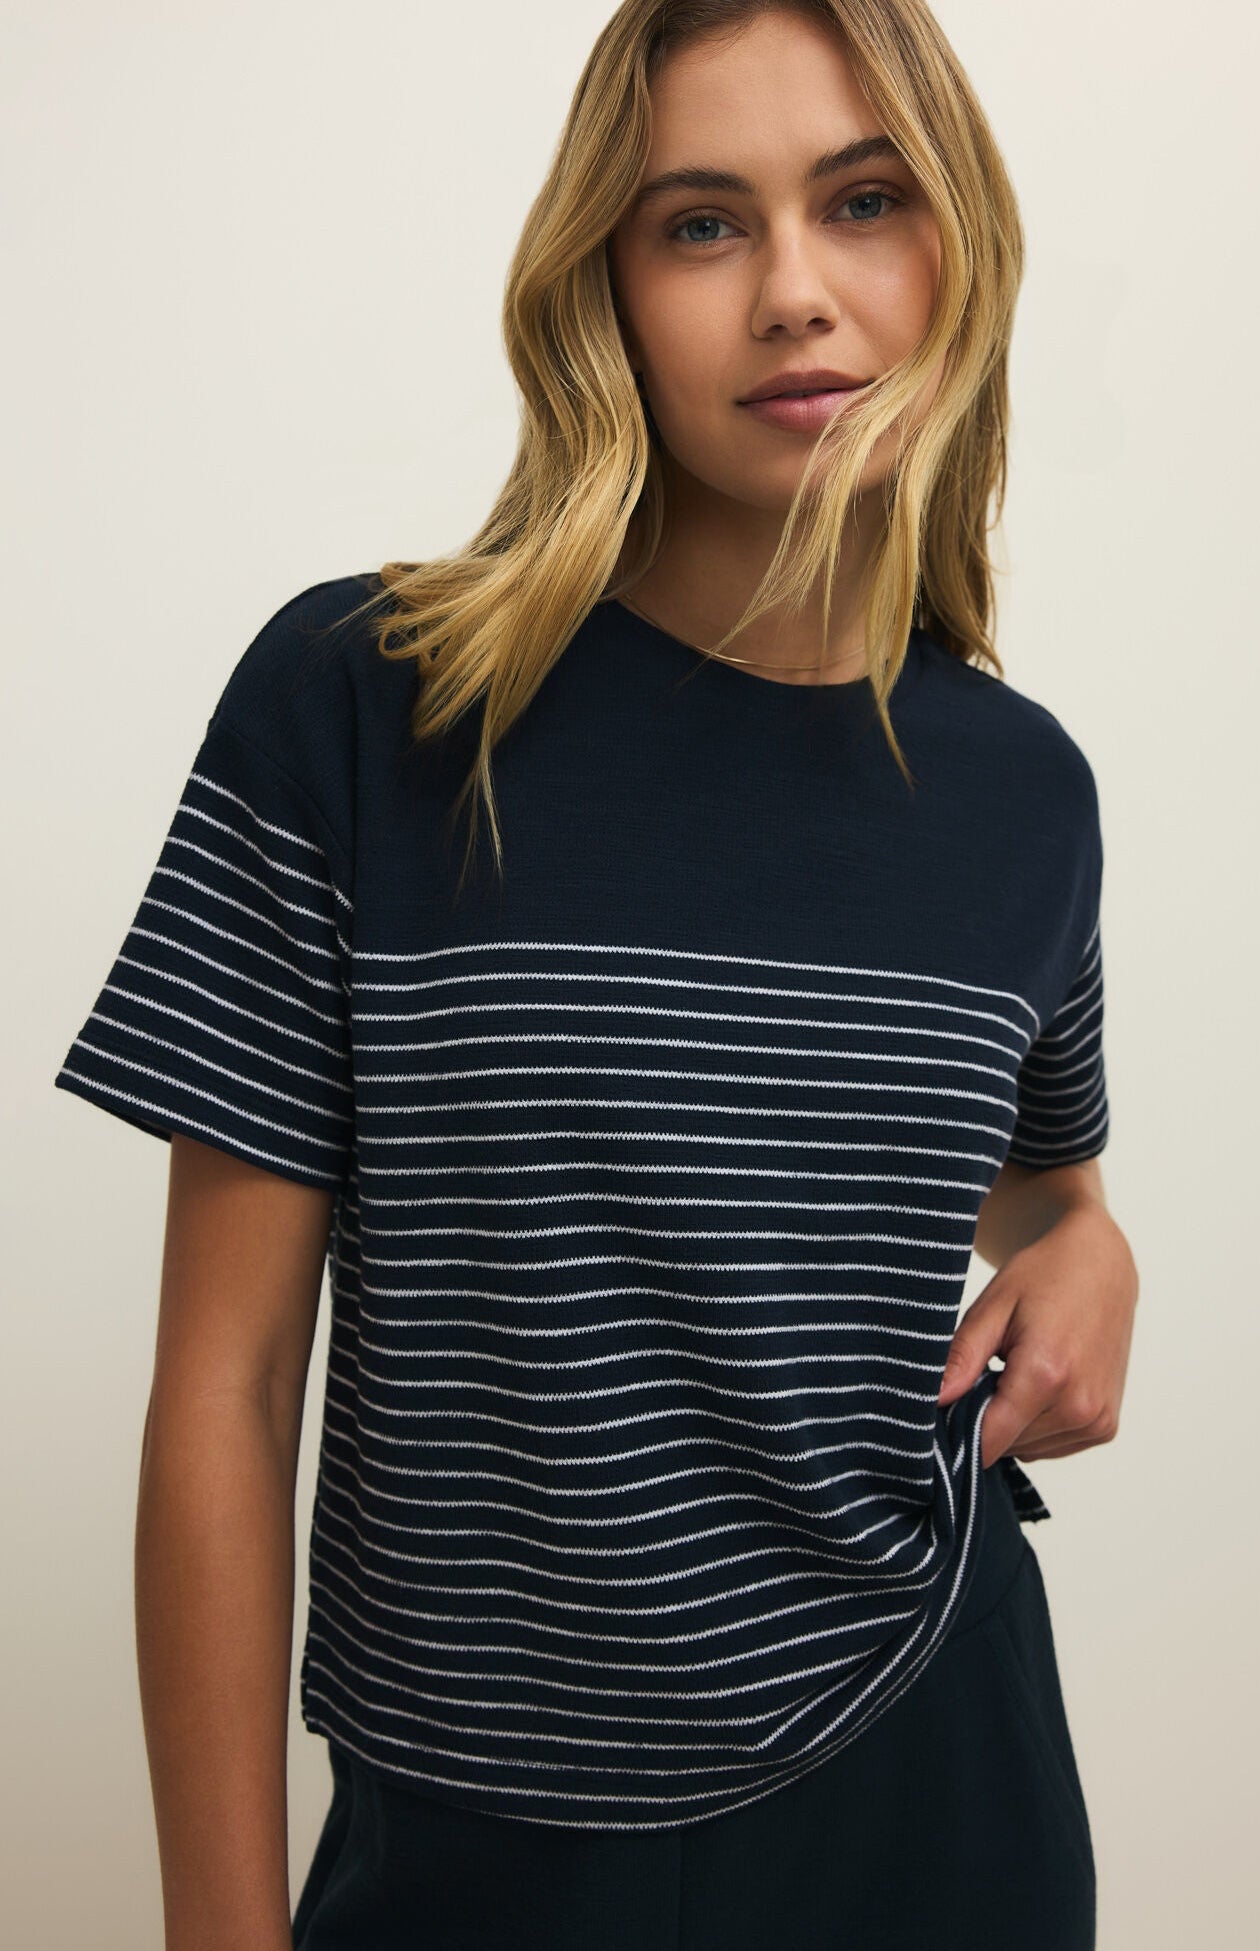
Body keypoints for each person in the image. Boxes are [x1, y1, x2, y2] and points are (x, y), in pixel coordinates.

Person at [53, 1, 1140, 1946]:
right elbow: (221, 1388)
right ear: (604, 290)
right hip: (487, 1849)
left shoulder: (1018, 790)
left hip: (933, 1788)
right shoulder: (371, 706)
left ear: (948, 246)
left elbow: (1024, 1177)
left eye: (860, 199)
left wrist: (1086, 1242)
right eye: (700, 223)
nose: (793, 292)